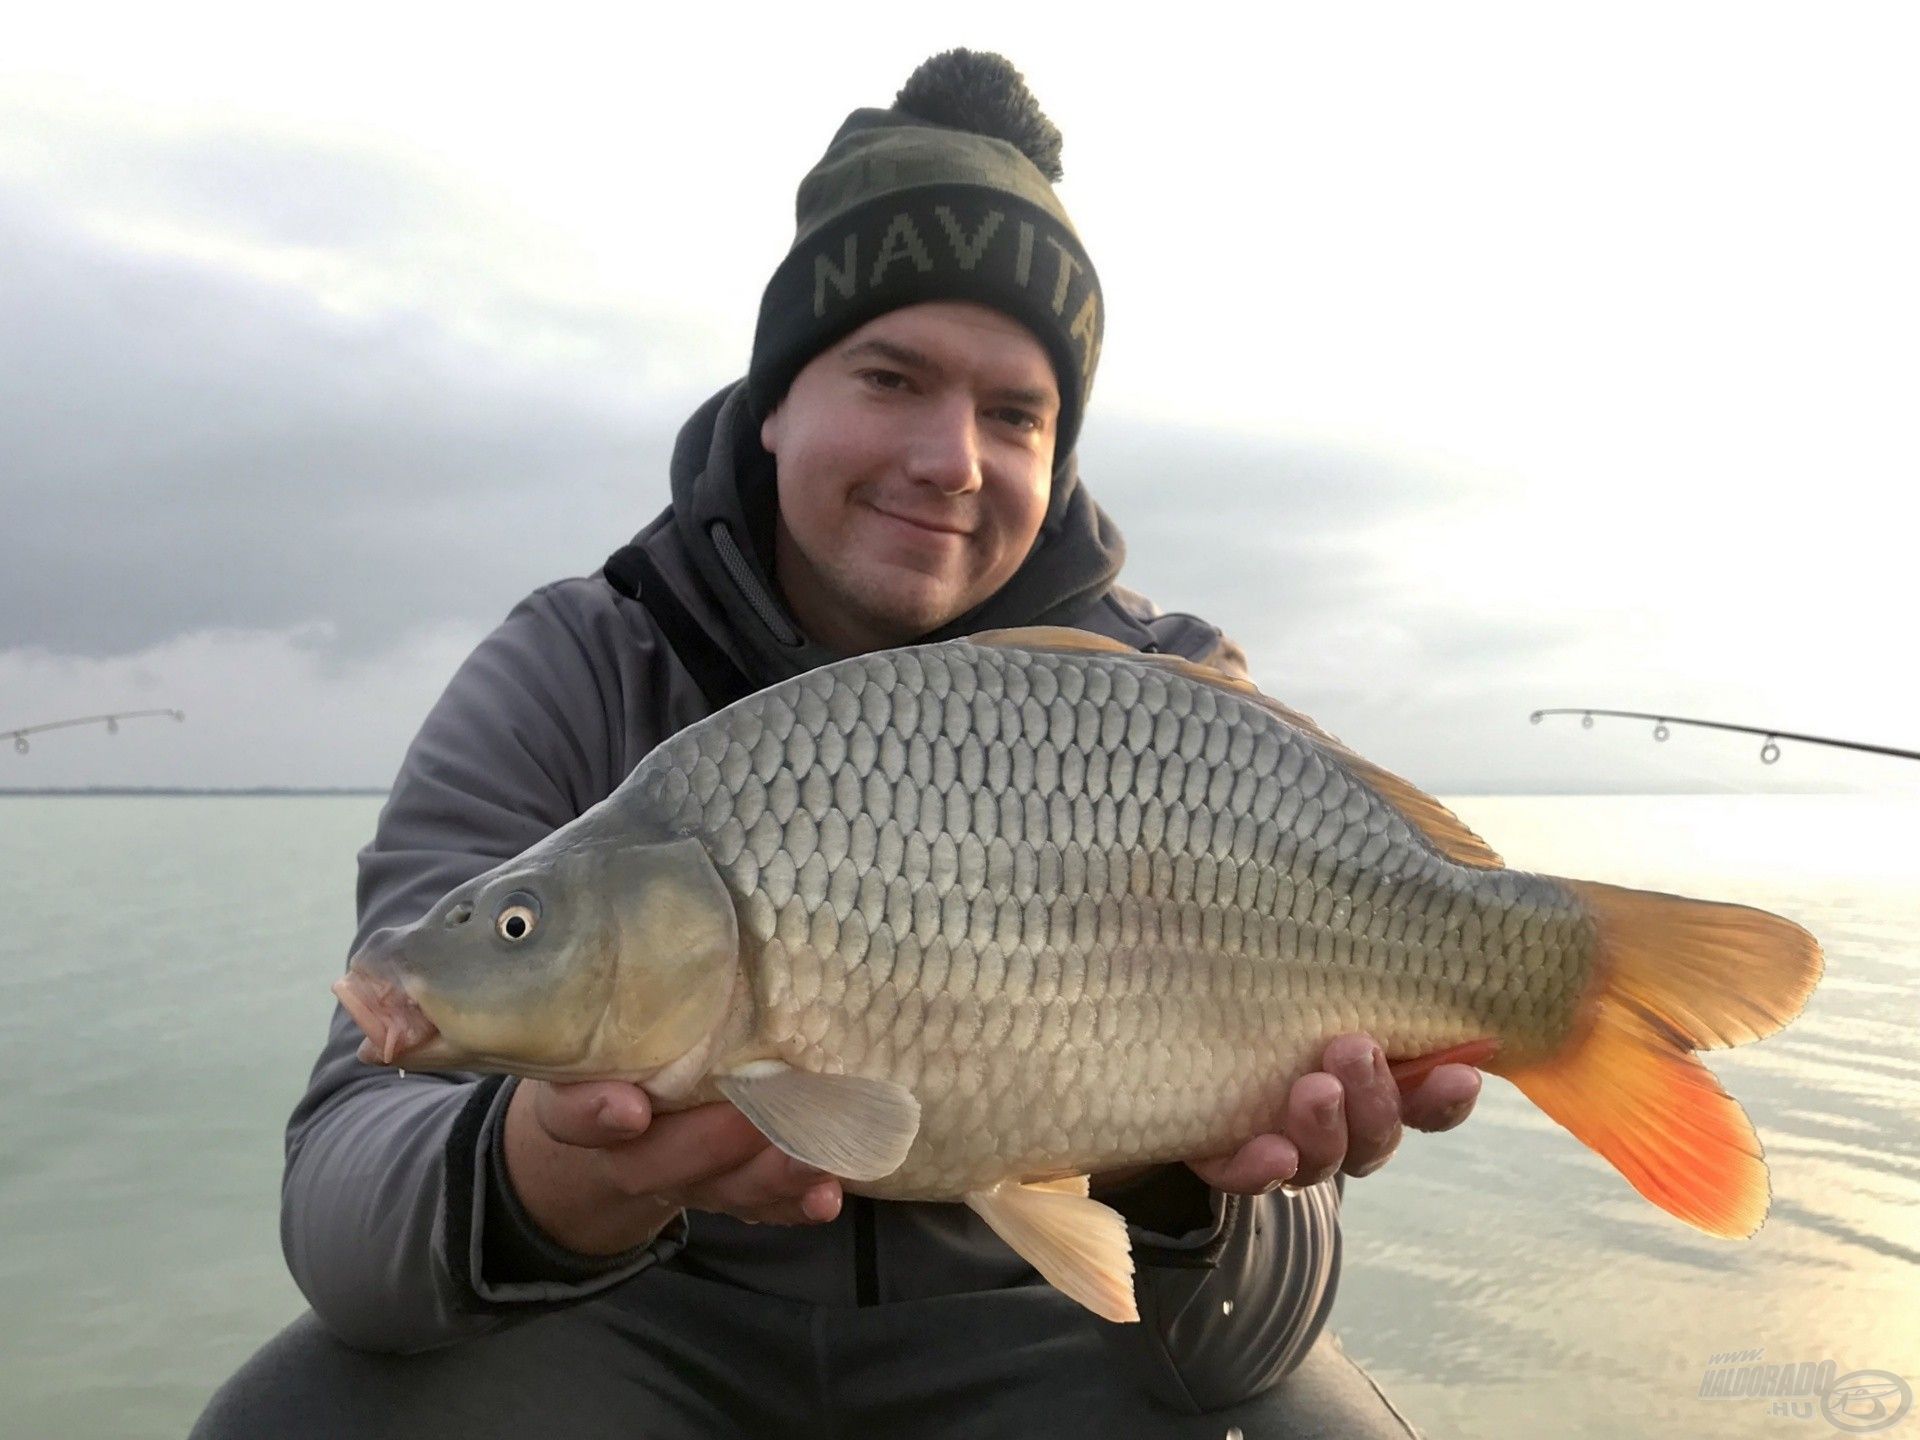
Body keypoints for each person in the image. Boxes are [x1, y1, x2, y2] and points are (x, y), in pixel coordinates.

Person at [193, 49, 1479, 1439]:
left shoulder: (1174, 709)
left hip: (1041, 1331)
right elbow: (340, 1212)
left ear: (1060, 455)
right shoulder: (574, 668)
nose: (950, 457)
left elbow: (1248, 1348)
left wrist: (1184, 1177)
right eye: (891, 376)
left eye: (1015, 412)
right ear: (777, 399)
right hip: (622, 1328)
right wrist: (546, 1177)